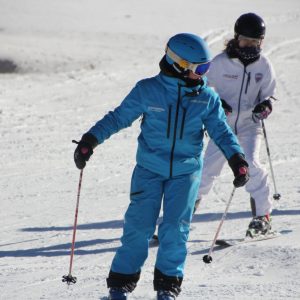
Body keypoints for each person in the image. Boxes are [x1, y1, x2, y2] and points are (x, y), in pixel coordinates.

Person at [73, 33, 249, 300]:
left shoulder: (207, 98)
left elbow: (222, 133)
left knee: (175, 230)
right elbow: (118, 117)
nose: (203, 74)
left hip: (185, 173)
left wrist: (237, 159)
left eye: (206, 68)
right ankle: (120, 285)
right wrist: (90, 140)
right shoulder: (148, 90)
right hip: (148, 170)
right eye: (200, 68)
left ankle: (167, 287)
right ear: (180, 64)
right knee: (138, 228)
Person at [194, 13, 277, 238]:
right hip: (223, 128)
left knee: (251, 163)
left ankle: (263, 217)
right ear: (236, 37)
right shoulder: (220, 63)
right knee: (206, 170)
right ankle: (184, 213)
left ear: (261, 41)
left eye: (254, 42)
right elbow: (204, 89)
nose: (248, 45)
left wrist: (264, 107)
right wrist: (217, 103)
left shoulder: (264, 65)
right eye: (244, 40)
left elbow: (269, 96)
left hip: (250, 126)